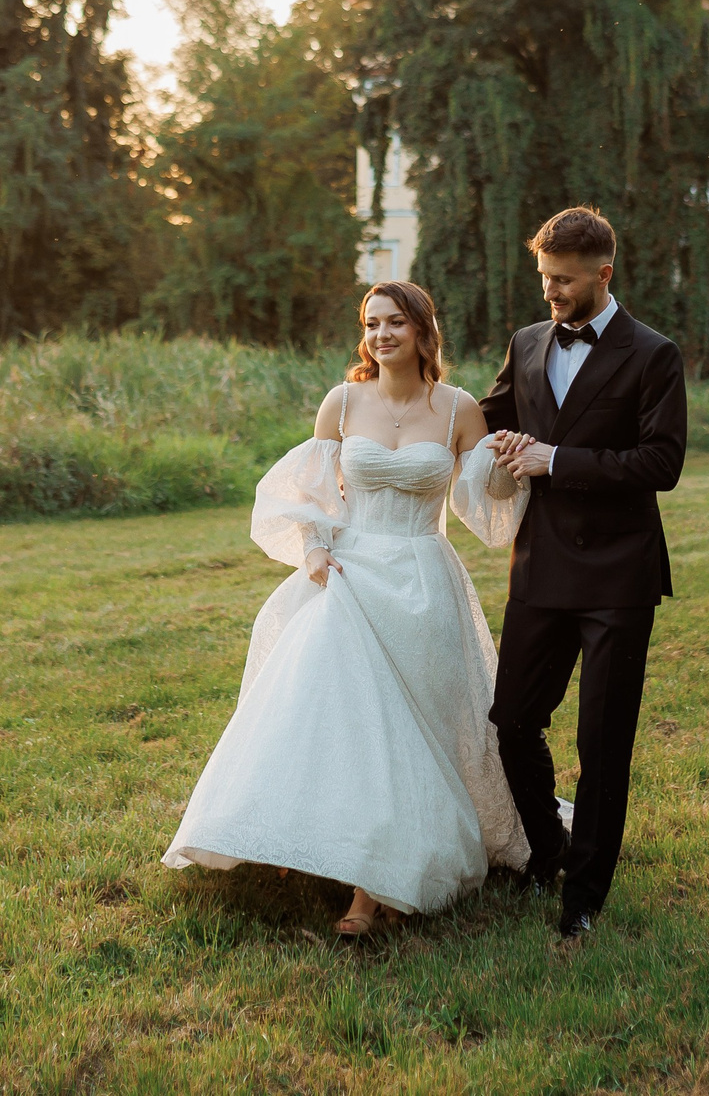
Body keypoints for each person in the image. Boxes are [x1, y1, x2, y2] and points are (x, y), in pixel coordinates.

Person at [161, 281, 532, 936]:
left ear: (422, 329)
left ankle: (376, 882)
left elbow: (485, 502)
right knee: (345, 721)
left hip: (422, 577)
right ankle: (320, 849)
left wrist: (505, 463)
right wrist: (313, 551)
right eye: (372, 323)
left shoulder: (456, 409)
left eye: (395, 322)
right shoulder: (342, 401)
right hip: (352, 575)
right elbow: (310, 496)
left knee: (416, 730)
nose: (381, 334)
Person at [479, 206, 687, 941]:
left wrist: (555, 459)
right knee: (510, 722)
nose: (550, 294)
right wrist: (400, 417)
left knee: (601, 742)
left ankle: (584, 894)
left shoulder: (654, 353)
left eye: (564, 281)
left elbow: (662, 463)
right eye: (544, 279)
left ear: (604, 273)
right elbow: (485, 414)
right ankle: (548, 847)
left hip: (617, 576)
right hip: (539, 564)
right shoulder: (528, 340)